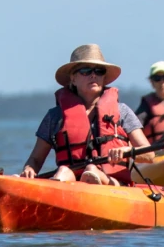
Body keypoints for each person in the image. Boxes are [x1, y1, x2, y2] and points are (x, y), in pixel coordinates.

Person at [20, 44, 155, 185]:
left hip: (114, 185)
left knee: (91, 169)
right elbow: (35, 159)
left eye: (99, 71)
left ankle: (92, 179)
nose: (93, 75)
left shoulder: (122, 111)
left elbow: (149, 155)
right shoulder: (55, 116)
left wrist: (129, 150)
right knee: (63, 172)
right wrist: (29, 169)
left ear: (103, 78)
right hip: (73, 183)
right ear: (73, 79)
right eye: (85, 70)